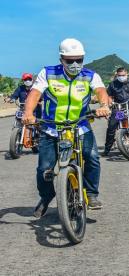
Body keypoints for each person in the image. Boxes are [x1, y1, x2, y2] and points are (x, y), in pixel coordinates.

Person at [21, 38, 111, 217]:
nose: (75, 64)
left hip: (81, 126)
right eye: (70, 61)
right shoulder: (48, 73)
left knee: (92, 157)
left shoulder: (90, 75)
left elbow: (101, 91)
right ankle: (46, 197)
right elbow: (35, 93)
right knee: (44, 169)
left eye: (79, 60)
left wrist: (104, 105)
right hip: (51, 128)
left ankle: (92, 194)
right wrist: (29, 113)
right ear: (61, 59)